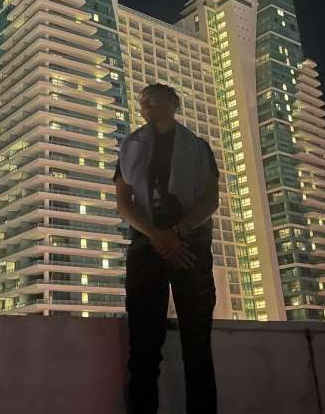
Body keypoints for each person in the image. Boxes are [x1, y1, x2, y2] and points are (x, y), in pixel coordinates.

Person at [114, 83, 220, 414]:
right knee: (143, 349)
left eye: (154, 97)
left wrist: (178, 232)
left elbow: (210, 199)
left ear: (174, 102)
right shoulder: (131, 146)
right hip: (147, 248)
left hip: (191, 246)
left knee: (198, 345)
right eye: (142, 100)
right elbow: (123, 202)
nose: (145, 103)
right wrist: (156, 236)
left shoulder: (198, 147)